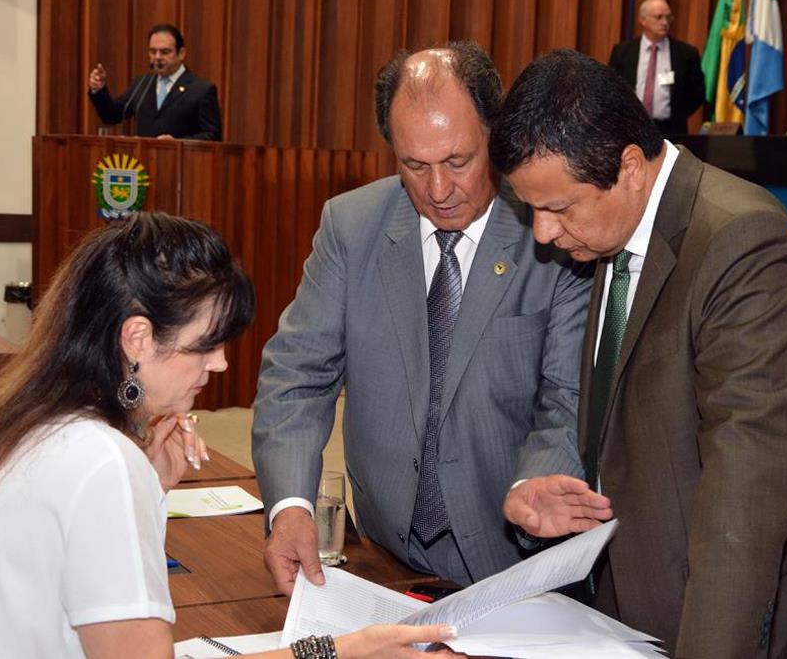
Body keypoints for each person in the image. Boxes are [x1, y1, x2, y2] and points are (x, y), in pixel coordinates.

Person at [0, 213, 453, 659]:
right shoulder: (100, 460)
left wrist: (150, 484)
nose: (222, 365)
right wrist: (340, 651)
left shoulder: (20, 417)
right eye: (204, 344)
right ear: (137, 338)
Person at [491, 49, 787, 658]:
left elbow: (740, 511)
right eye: (530, 207)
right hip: (634, 600)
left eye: (557, 208)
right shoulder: (611, 232)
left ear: (631, 167)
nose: (542, 233)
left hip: (731, 617)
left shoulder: (746, 245)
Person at [252, 42, 599, 594]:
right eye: (415, 166)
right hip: (386, 557)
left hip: (516, 560)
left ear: (496, 135)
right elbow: (297, 376)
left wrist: (538, 482)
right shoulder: (351, 225)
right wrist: (291, 506)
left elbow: (567, 398)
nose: (438, 191)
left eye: (457, 162)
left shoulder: (553, 236)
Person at [88, 24, 222, 141]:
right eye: (152, 52)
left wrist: (178, 142)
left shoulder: (201, 90)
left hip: (182, 165)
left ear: (181, 53)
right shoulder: (142, 84)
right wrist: (99, 90)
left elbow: (213, 136)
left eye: (165, 52)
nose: (157, 57)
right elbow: (111, 116)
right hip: (143, 166)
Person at [609, 0, 705, 135]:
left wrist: (678, 113)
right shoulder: (623, 51)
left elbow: (697, 94)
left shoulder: (686, 54)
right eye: (659, 17)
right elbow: (613, 89)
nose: (665, 23)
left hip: (671, 130)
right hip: (631, 128)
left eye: (668, 17)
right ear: (643, 20)